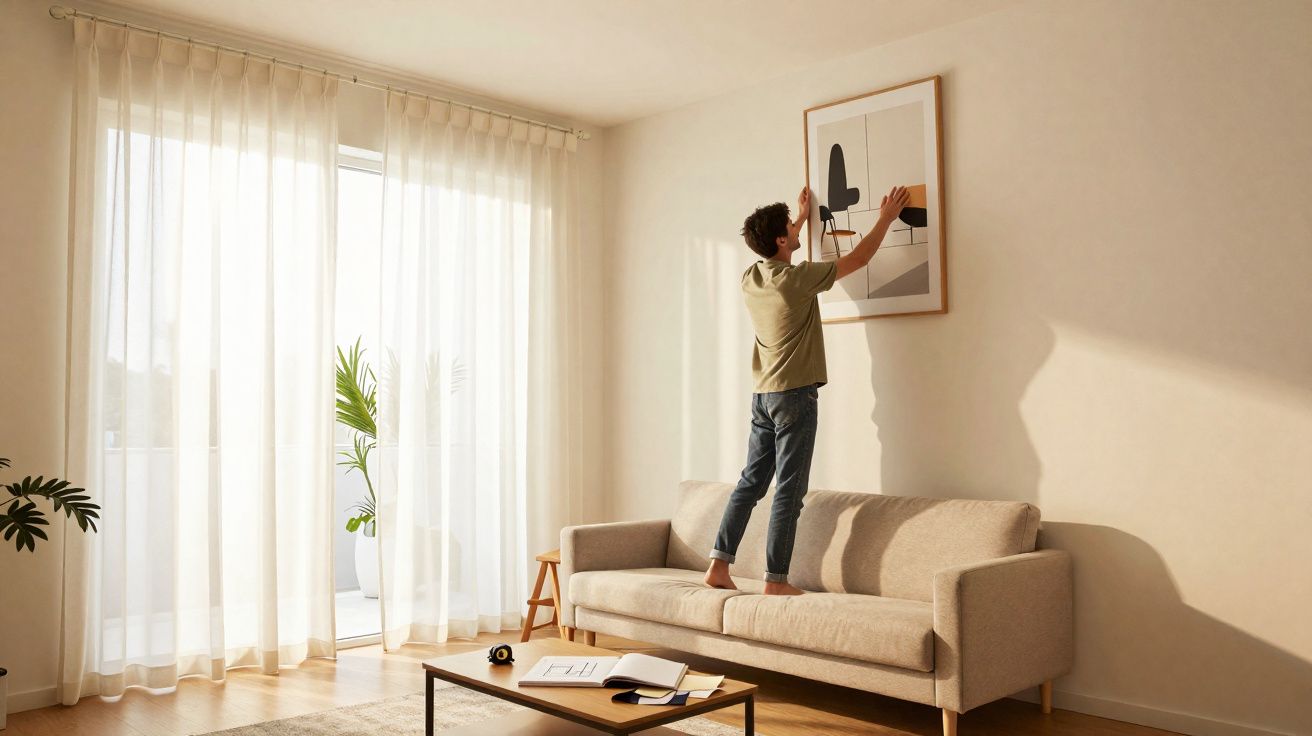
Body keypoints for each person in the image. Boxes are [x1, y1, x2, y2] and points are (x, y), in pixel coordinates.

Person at [704, 184, 910, 595]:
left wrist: (797, 217)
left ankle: (718, 566)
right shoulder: (796, 280)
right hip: (795, 395)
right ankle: (776, 581)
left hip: (763, 396)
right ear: (781, 240)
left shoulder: (753, 277)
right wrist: (885, 218)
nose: (796, 232)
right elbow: (859, 258)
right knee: (790, 491)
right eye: (791, 230)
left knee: (750, 483)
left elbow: (781, 243)